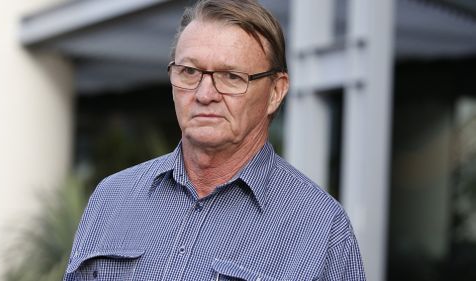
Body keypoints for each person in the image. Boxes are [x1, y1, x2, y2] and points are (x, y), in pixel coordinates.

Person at [64, 0, 366, 280]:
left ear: (276, 92)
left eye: (231, 76)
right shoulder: (112, 198)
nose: (204, 94)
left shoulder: (322, 229)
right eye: (189, 71)